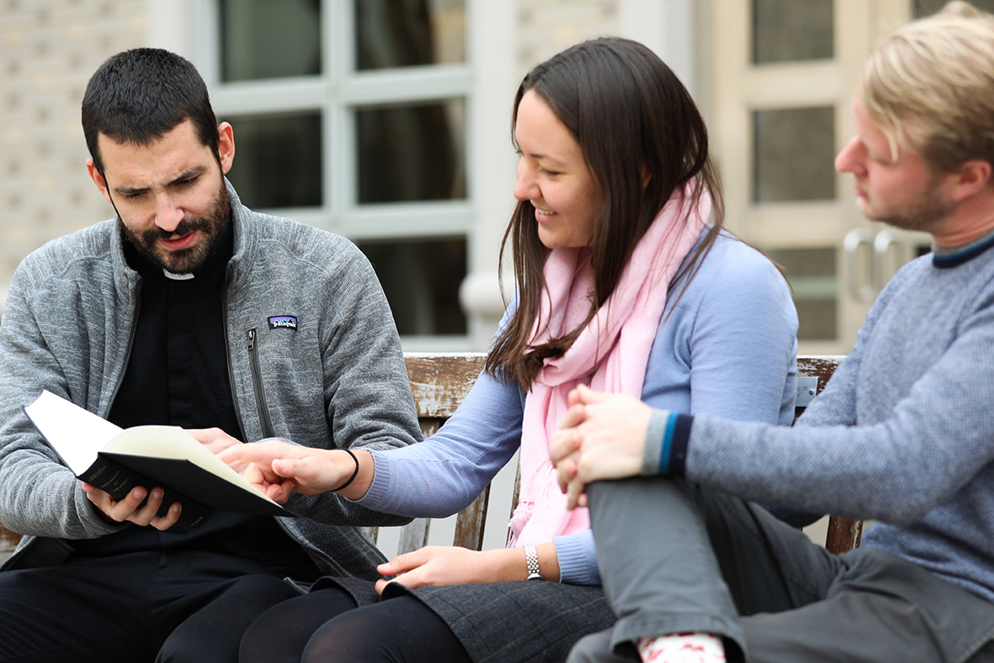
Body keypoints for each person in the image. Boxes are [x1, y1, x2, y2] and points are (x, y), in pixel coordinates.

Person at [217, 37, 800, 663]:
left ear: (639, 171)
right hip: (540, 577)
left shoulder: (733, 290)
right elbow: (455, 464)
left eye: (551, 170)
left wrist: (498, 566)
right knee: (272, 640)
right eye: (523, 158)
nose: (523, 187)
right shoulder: (551, 294)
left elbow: (719, 522)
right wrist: (338, 466)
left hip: (658, 599)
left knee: (354, 648)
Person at [548, 4, 994, 663]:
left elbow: (902, 470)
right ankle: (680, 640)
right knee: (615, 445)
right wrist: (642, 447)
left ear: (969, 177)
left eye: (876, 151)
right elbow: (800, 482)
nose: (846, 161)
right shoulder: (913, 284)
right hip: (861, 586)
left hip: (958, 618)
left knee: (601, 649)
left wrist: (671, 438)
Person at [0, 48, 422, 663]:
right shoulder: (51, 282)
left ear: (223, 147)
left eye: (185, 182)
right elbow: (10, 468)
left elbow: (393, 461)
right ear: (98, 181)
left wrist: (293, 474)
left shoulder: (326, 273)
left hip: (274, 574)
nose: (168, 217)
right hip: (92, 567)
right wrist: (89, 499)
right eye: (136, 193)